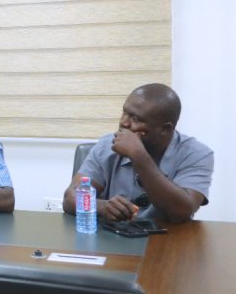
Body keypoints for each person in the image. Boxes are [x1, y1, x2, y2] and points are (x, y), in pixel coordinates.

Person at [62, 83, 213, 224]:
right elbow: (70, 199)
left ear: (165, 129)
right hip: (114, 237)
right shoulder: (106, 146)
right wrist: (101, 206)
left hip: (168, 240)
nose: (124, 123)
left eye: (136, 118)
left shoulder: (197, 154)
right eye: (124, 112)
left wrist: (139, 156)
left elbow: (182, 212)